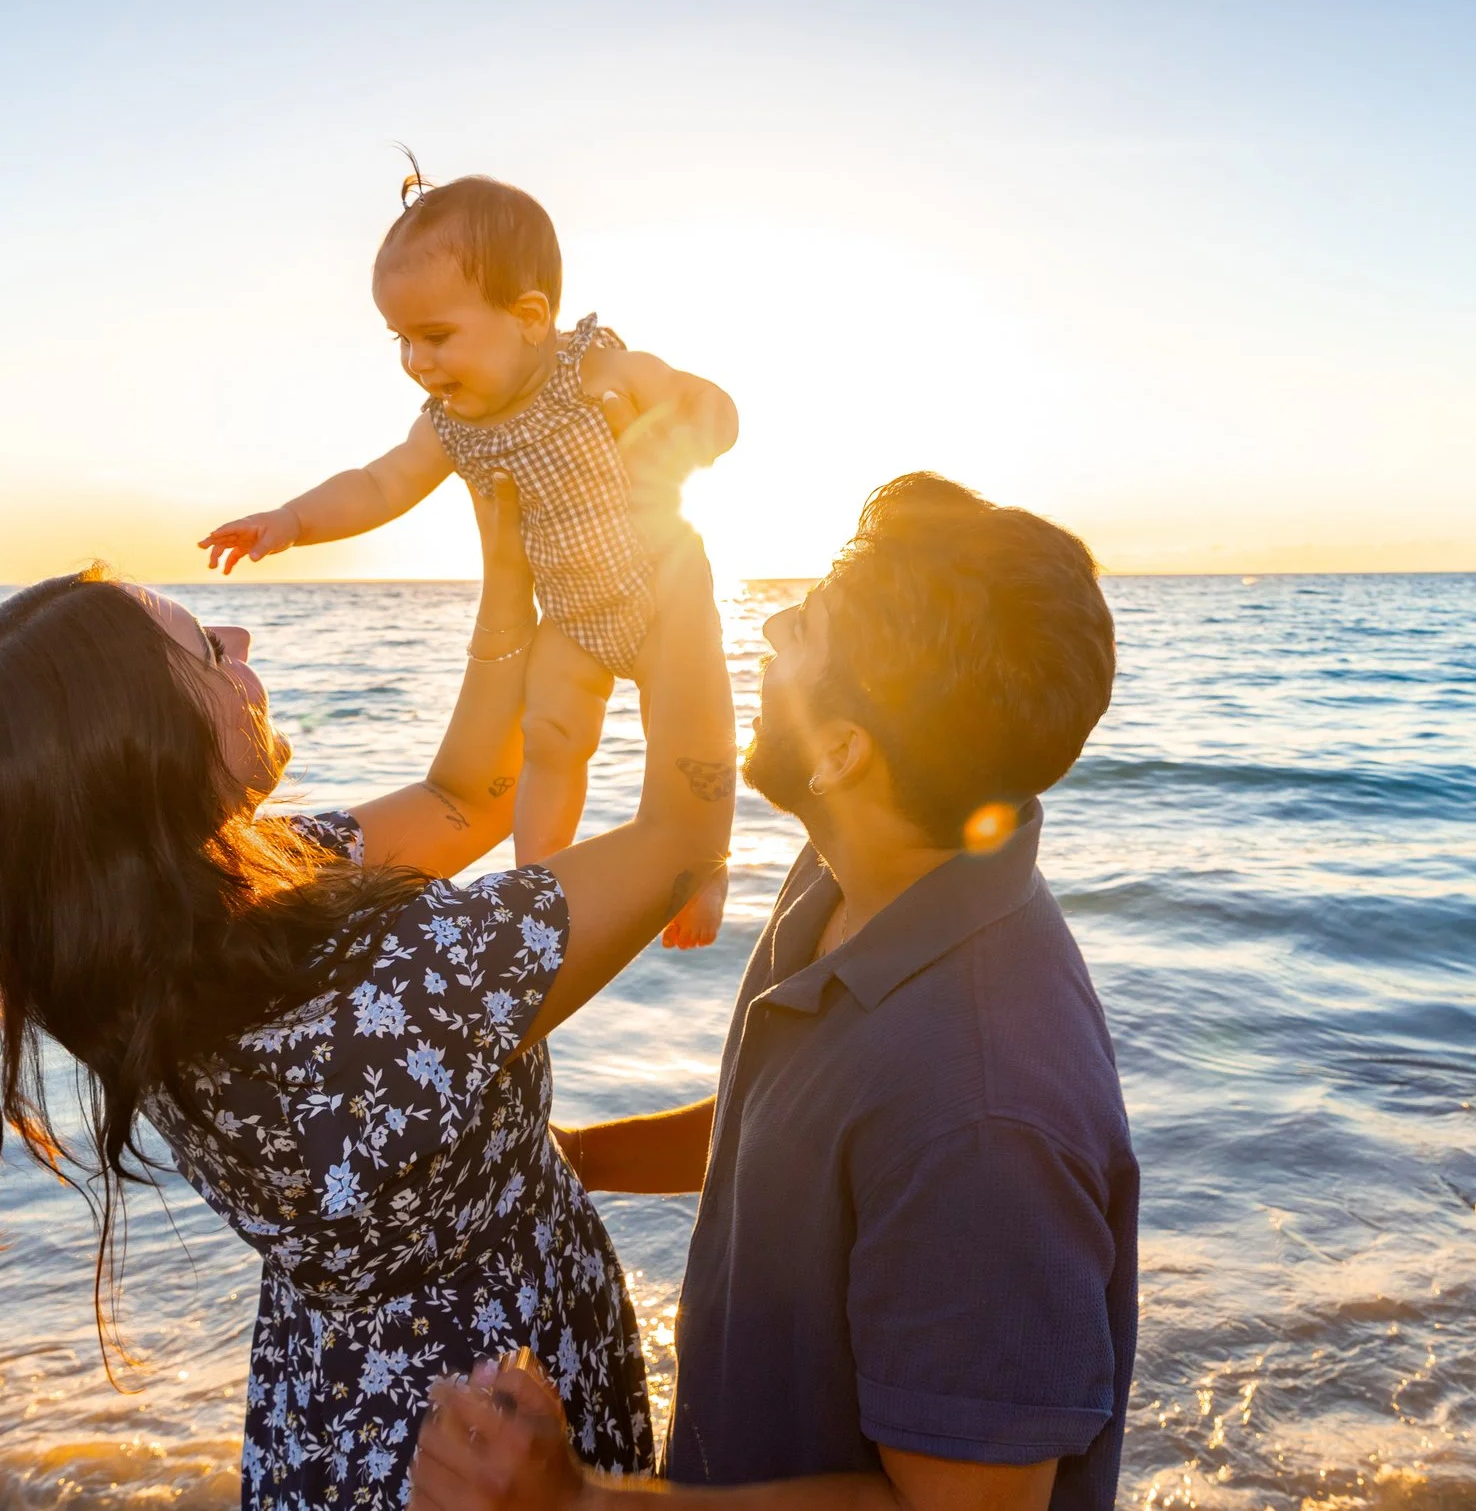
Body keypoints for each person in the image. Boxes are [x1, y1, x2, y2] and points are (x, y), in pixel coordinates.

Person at [0, 444, 736, 1511]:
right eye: (207, 654)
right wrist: (671, 559)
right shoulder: (393, 995)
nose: (240, 636)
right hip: (478, 1440)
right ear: (151, 764)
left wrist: (504, 548)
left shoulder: (144, 933)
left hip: (336, 1408)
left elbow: (463, 799)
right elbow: (681, 827)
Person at [412, 473, 1137, 1511]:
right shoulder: (858, 872)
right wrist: (571, 1160)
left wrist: (578, 1504)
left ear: (845, 749)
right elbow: (788, 1134)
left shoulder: (984, 1108)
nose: (776, 625)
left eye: (812, 626)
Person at [199, 168, 739, 947]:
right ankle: (537, 887)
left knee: (690, 726)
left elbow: (703, 401)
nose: (418, 361)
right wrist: (291, 520)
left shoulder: (593, 370)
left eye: (436, 336)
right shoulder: (451, 425)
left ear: (529, 316)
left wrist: (695, 434)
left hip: (661, 594)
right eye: (402, 340)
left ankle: (703, 862)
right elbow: (379, 483)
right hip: (572, 617)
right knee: (551, 737)